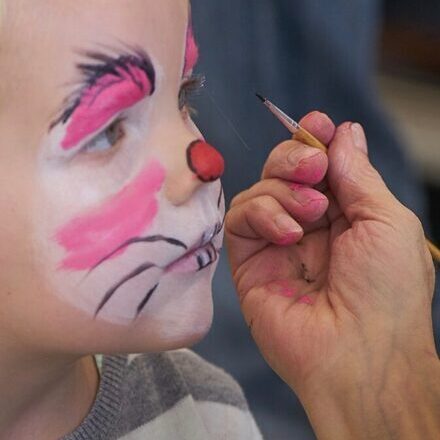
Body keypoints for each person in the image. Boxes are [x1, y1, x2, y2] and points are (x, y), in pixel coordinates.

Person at [0, 1, 438, 440]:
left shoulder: (206, 418)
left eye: (184, 96)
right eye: (109, 130)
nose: (207, 161)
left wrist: (374, 377)